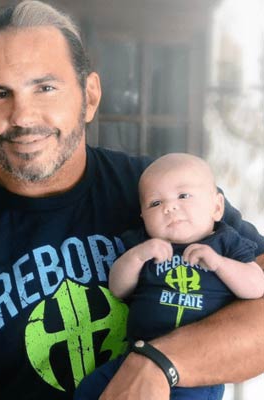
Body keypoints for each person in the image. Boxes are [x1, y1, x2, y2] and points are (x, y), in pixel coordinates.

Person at [0, 2, 264, 400]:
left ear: (89, 95)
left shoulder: (161, 192)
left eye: (45, 88)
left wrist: (161, 363)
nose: (23, 116)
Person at [75, 153, 264, 400]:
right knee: (89, 389)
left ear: (217, 207)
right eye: (155, 203)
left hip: (196, 373)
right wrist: (137, 257)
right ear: (143, 216)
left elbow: (257, 286)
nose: (169, 207)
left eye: (183, 196)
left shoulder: (226, 242)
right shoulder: (143, 244)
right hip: (132, 359)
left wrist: (220, 264)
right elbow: (118, 288)